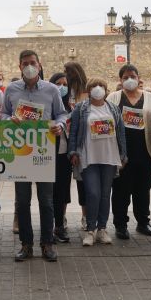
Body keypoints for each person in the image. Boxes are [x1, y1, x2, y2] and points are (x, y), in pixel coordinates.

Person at [2, 50, 67, 262]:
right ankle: (26, 244)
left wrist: (59, 125)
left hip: (43, 151)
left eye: (33, 63)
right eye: (25, 63)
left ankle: (47, 243)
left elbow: (62, 113)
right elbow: (2, 113)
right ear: (20, 66)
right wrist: (8, 120)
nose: (29, 66)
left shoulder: (51, 90)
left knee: (46, 201)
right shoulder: (11, 89)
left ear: (39, 65)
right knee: (22, 202)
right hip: (20, 152)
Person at [69, 78, 127, 246]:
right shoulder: (81, 108)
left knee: (104, 194)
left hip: (109, 156)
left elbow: (121, 133)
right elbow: (73, 132)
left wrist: (123, 155)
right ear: (89, 89)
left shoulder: (114, 109)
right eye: (94, 86)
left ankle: (102, 229)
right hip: (88, 156)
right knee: (92, 193)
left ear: (106, 89)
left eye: (101, 86)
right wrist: (73, 152)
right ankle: (90, 230)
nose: (98, 88)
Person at [106, 64, 151, 240]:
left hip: (145, 152)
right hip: (121, 155)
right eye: (126, 77)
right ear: (120, 80)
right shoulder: (113, 97)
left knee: (142, 190)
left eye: (133, 76)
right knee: (121, 191)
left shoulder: (150, 98)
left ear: (138, 78)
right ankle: (120, 225)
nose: (130, 80)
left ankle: (143, 222)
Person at [64, 61, 90, 229]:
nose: (67, 74)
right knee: (63, 183)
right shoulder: (63, 91)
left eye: (69, 71)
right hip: (63, 140)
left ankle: (85, 217)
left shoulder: (87, 92)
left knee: (83, 182)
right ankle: (62, 217)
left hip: (82, 142)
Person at [49, 72, 73, 243]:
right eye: (58, 83)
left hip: (65, 156)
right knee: (48, 194)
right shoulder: (47, 106)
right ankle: (47, 227)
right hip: (47, 156)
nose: (62, 87)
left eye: (65, 84)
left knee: (62, 192)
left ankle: (59, 226)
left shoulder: (71, 108)